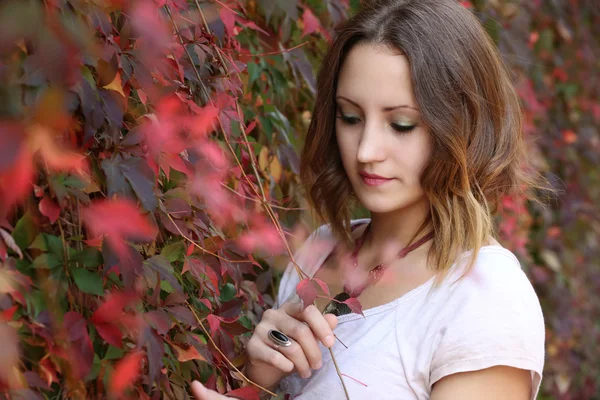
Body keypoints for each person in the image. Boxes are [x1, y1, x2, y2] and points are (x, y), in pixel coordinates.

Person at [192, 0, 546, 398]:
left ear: (462, 126)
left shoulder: (485, 298)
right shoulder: (320, 251)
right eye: (350, 117)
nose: (365, 151)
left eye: (401, 124)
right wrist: (257, 378)